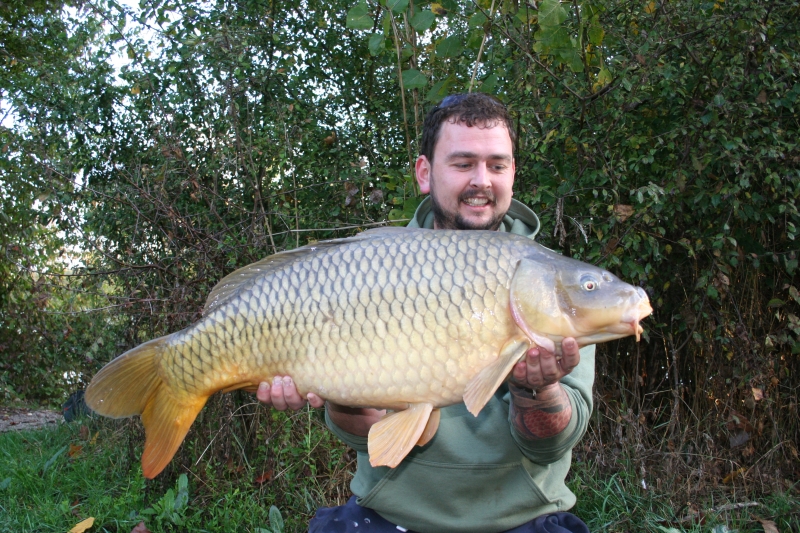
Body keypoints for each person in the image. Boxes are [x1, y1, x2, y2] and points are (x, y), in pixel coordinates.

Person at [257, 93, 594, 533]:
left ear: (513, 174)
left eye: (497, 165)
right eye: (462, 164)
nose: (482, 180)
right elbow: (367, 435)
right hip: (391, 516)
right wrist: (337, 393)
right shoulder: (371, 266)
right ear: (424, 173)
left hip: (522, 519)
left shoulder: (549, 281)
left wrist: (537, 391)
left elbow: (552, 444)